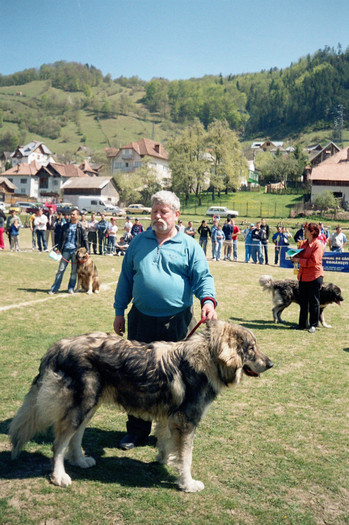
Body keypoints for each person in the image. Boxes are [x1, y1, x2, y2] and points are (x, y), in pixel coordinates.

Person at [113, 190, 217, 450]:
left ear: (177, 215)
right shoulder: (138, 242)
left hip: (177, 322)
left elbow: (203, 278)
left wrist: (207, 301)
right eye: (154, 211)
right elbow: (126, 278)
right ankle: (136, 431)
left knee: (175, 379)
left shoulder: (190, 246)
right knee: (137, 377)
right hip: (140, 320)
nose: (157, 216)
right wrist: (118, 311)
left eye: (163, 211)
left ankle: (169, 431)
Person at [291, 222, 325, 333]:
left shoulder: (318, 245)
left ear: (312, 232)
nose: (304, 232)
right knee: (303, 301)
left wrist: (299, 260)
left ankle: (313, 324)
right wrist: (293, 255)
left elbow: (313, 261)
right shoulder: (303, 243)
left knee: (314, 301)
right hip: (303, 276)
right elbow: (298, 255)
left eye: (306, 230)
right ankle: (301, 324)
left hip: (314, 276)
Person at [48, 208, 88, 295]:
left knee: (74, 271)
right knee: (61, 270)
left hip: (75, 252)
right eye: (71, 214)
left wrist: (87, 251)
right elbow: (60, 238)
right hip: (65, 251)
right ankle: (55, 288)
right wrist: (58, 248)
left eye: (73, 214)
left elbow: (85, 239)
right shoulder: (65, 226)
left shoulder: (81, 227)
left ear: (78, 216)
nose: (71, 215)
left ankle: (70, 288)